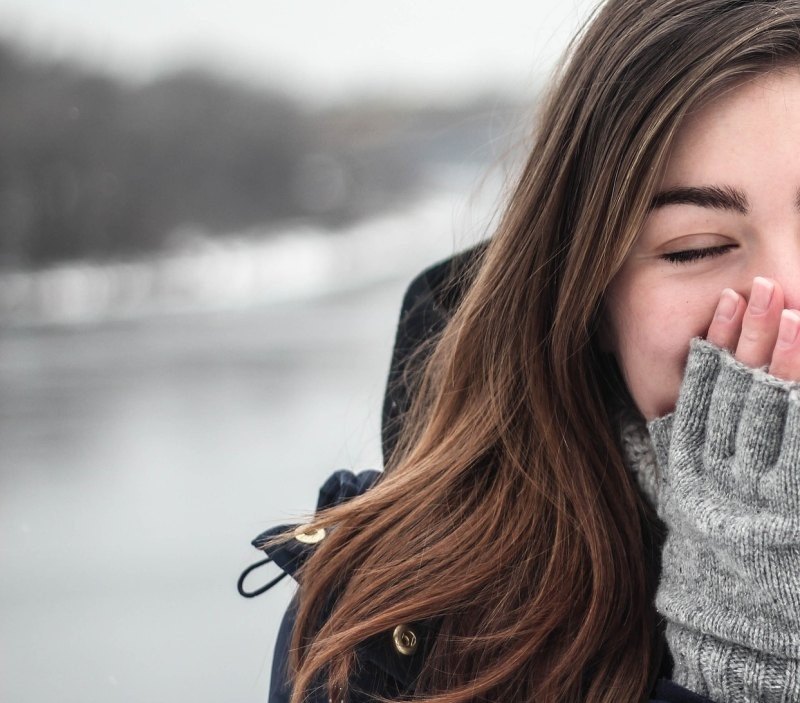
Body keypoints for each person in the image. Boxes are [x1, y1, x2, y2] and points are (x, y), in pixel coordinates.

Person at [239, 1, 800, 701]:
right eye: (697, 248)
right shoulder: (401, 632)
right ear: (592, 296)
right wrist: (751, 641)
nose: (786, 302)